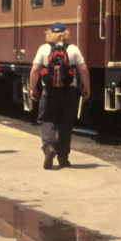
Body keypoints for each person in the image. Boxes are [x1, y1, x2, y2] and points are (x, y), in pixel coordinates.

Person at [29, 22, 91, 170]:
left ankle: (49, 148)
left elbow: (35, 70)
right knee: (65, 124)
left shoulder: (44, 49)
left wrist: (32, 88)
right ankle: (63, 158)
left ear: (50, 33)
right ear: (65, 34)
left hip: (49, 91)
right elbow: (83, 69)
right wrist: (87, 87)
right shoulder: (73, 49)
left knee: (46, 120)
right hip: (68, 92)